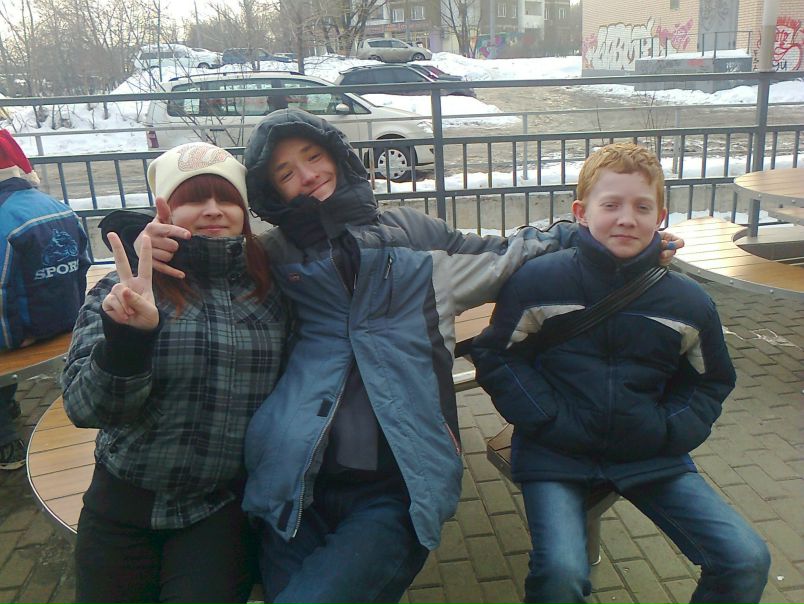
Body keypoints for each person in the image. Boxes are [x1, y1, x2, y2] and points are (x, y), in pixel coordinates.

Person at [113, 109, 683, 604]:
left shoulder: (412, 234)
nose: (306, 176)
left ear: (338, 156)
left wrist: (614, 240)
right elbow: (204, 253)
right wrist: (145, 238)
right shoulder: (272, 258)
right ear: (273, 193)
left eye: (313, 157)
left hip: (395, 483)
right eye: (285, 173)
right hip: (295, 480)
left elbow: (509, 252)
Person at [471, 143, 770, 604]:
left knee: (745, 558)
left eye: (641, 207)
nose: (626, 219)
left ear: (661, 216)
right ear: (581, 213)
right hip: (557, 450)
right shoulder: (539, 281)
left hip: (647, 452)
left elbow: (709, 381)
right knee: (561, 574)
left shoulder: (688, 302)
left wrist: (666, 429)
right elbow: (498, 356)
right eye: (610, 205)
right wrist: (548, 418)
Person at [61, 142, 287, 604]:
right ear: (164, 210)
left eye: (227, 199)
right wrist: (127, 342)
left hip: (217, 509)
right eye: (193, 198)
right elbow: (84, 409)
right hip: (122, 503)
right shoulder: (125, 288)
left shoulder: (271, 288)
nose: (213, 210)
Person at [0, 130, 90, 471]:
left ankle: (5, 438)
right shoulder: (55, 206)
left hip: (23, 334)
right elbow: (82, 265)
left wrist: (14, 339)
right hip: (66, 319)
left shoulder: (2, 218)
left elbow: (3, 290)